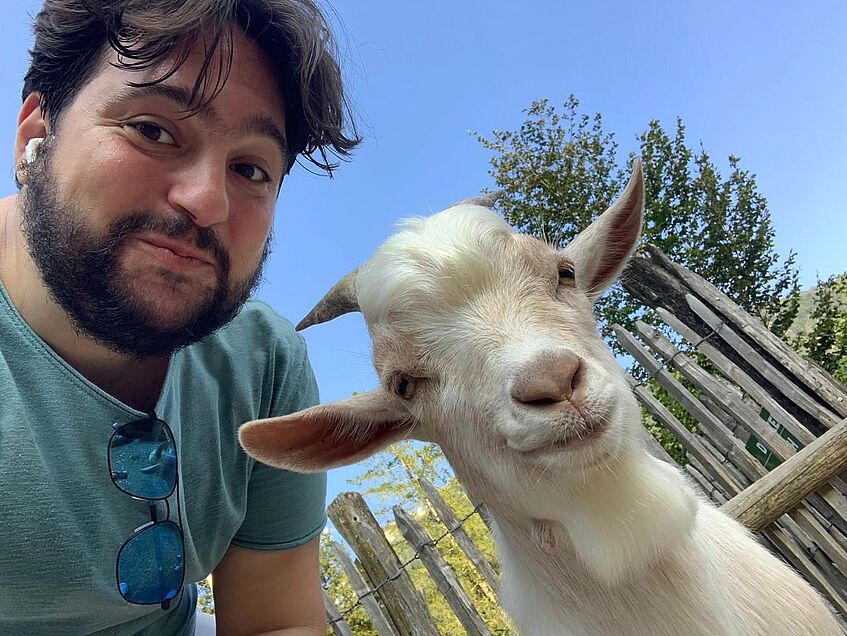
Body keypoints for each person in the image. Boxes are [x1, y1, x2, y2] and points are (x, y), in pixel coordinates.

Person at [0, 0, 359, 634]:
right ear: (36, 133)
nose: (206, 200)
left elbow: (276, 619)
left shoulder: (265, 366)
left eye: (249, 168)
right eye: (153, 130)